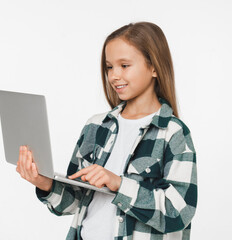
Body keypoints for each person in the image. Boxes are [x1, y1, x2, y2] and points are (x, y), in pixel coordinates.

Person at [16, 21, 197, 240]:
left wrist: (119, 184)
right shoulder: (96, 126)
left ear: (154, 67)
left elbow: (180, 211)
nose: (114, 76)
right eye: (109, 67)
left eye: (124, 65)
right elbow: (74, 202)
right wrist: (44, 183)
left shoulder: (173, 133)